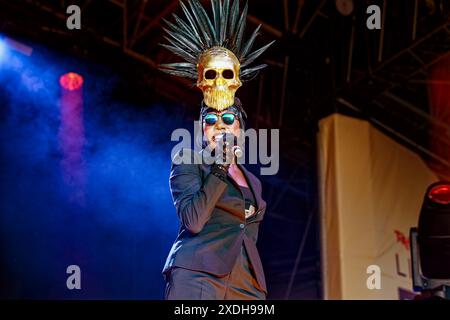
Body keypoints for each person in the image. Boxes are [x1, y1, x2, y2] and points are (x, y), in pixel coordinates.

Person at [159, 0, 274, 300]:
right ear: (202, 129)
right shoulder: (187, 159)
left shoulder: (255, 183)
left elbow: (246, 234)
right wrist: (220, 168)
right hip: (198, 273)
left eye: (227, 118)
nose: (219, 125)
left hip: (247, 284)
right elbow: (194, 220)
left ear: (240, 128)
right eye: (210, 119)